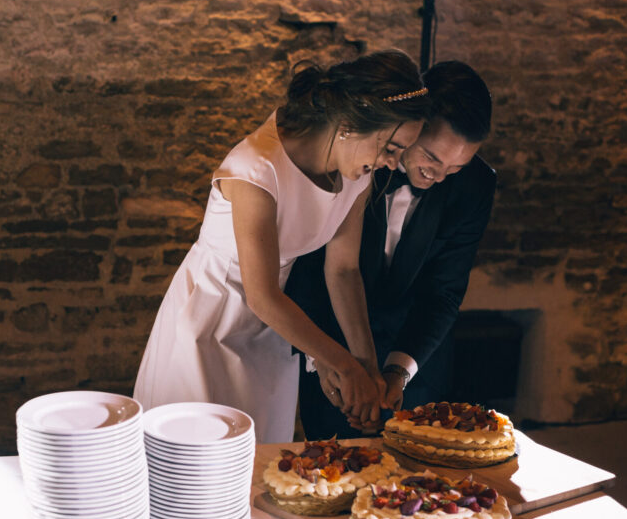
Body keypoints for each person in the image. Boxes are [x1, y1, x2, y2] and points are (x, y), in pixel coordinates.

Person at [133, 50, 430, 443]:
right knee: (195, 468)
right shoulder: (256, 168)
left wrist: (367, 371)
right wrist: (342, 364)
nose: (393, 164)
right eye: (390, 148)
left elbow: (343, 272)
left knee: (259, 467)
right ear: (350, 124)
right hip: (209, 322)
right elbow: (261, 295)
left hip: (273, 331)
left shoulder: (357, 176)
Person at [284, 60, 496, 439]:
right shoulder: (358, 158)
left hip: (416, 358)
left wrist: (398, 371)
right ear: (411, 126)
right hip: (332, 346)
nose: (439, 177)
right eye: (432, 157)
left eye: (456, 167)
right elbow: (316, 267)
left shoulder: (476, 186)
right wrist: (329, 360)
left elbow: (444, 293)